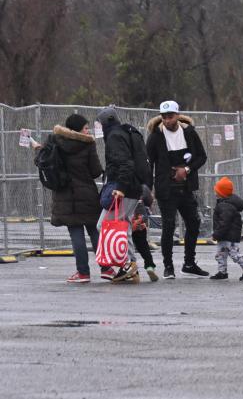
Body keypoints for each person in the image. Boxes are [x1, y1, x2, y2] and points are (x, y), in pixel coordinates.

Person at [34, 114, 104, 283]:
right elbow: (96, 171)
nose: (88, 131)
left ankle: (83, 273)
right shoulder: (88, 144)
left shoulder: (55, 141)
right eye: (86, 128)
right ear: (78, 129)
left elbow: (43, 159)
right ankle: (106, 268)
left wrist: (37, 148)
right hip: (87, 194)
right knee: (95, 232)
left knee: (76, 234)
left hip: (64, 194)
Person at [145, 100, 209, 279]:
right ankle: (168, 266)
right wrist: (148, 189)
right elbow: (148, 165)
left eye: (170, 116)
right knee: (168, 226)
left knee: (194, 223)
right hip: (166, 189)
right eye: (164, 117)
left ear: (178, 115)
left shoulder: (189, 133)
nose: (167, 120)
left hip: (186, 188)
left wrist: (186, 170)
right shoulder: (156, 136)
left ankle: (189, 263)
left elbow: (201, 157)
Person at [96, 106, 149, 284]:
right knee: (123, 226)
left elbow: (125, 163)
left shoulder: (114, 137)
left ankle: (128, 264)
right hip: (134, 187)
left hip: (124, 188)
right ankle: (131, 266)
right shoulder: (128, 131)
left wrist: (120, 187)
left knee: (104, 224)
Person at [210, 177, 243, 281]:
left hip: (229, 236)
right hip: (225, 236)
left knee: (234, 254)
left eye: (217, 191)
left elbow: (224, 223)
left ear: (222, 193)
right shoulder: (224, 203)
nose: (215, 193)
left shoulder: (225, 206)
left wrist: (216, 234)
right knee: (220, 255)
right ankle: (222, 272)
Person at [130, 185, 160, 282]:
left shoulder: (120, 184)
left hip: (126, 221)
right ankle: (149, 266)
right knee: (143, 246)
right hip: (140, 221)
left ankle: (132, 271)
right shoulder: (141, 186)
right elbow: (149, 199)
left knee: (127, 247)